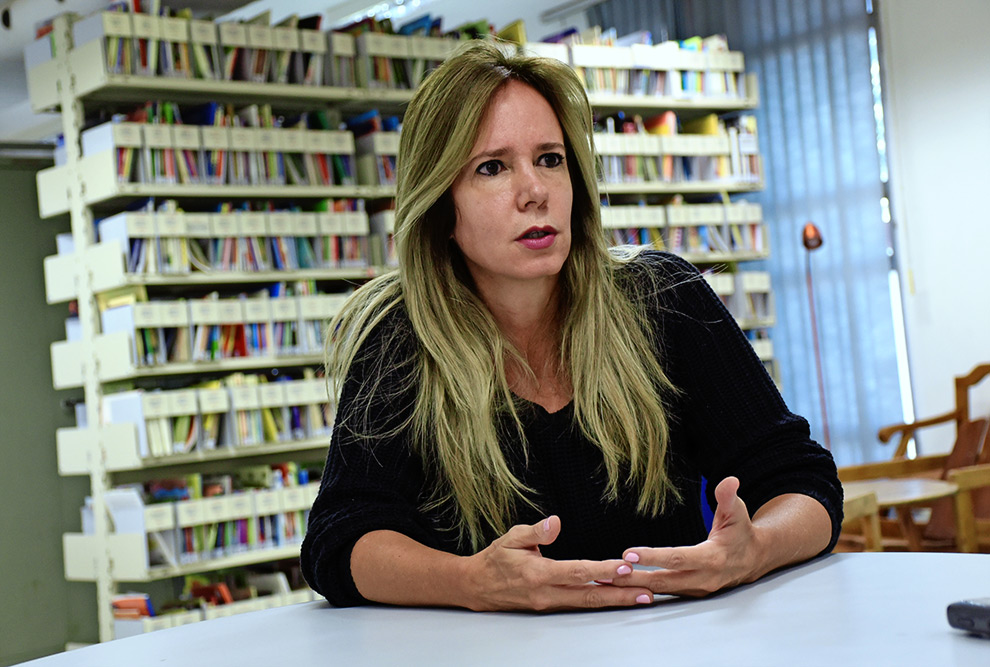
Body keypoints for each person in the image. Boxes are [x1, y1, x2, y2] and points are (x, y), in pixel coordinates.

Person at [300, 39, 842, 612]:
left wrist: (752, 551)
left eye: (550, 159)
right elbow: (341, 541)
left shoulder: (665, 298)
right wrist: (472, 582)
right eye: (492, 167)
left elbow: (806, 483)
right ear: (441, 208)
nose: (535, 192)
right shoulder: (399, 339)